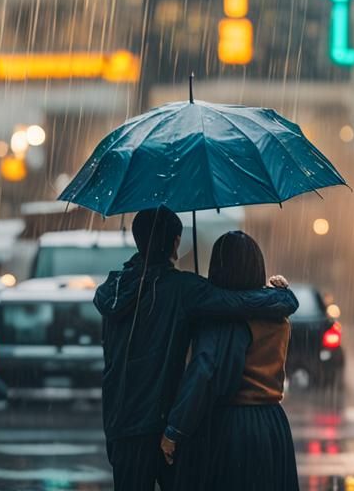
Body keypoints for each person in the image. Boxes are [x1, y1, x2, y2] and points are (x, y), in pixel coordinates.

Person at [95, 208, 298, 491]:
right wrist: (282, 296)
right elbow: (238, 303)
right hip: (161, 417)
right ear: (176, 243)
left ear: (138, 239)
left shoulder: (112, 289)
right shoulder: (183, 288)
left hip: (121, 418)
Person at [160, 231, 299, 491]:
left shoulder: (223, 319)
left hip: (234, 427)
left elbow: (203, 373)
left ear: (218, 267)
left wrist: (174, 430)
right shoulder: (278, 313)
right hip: (273, 423)